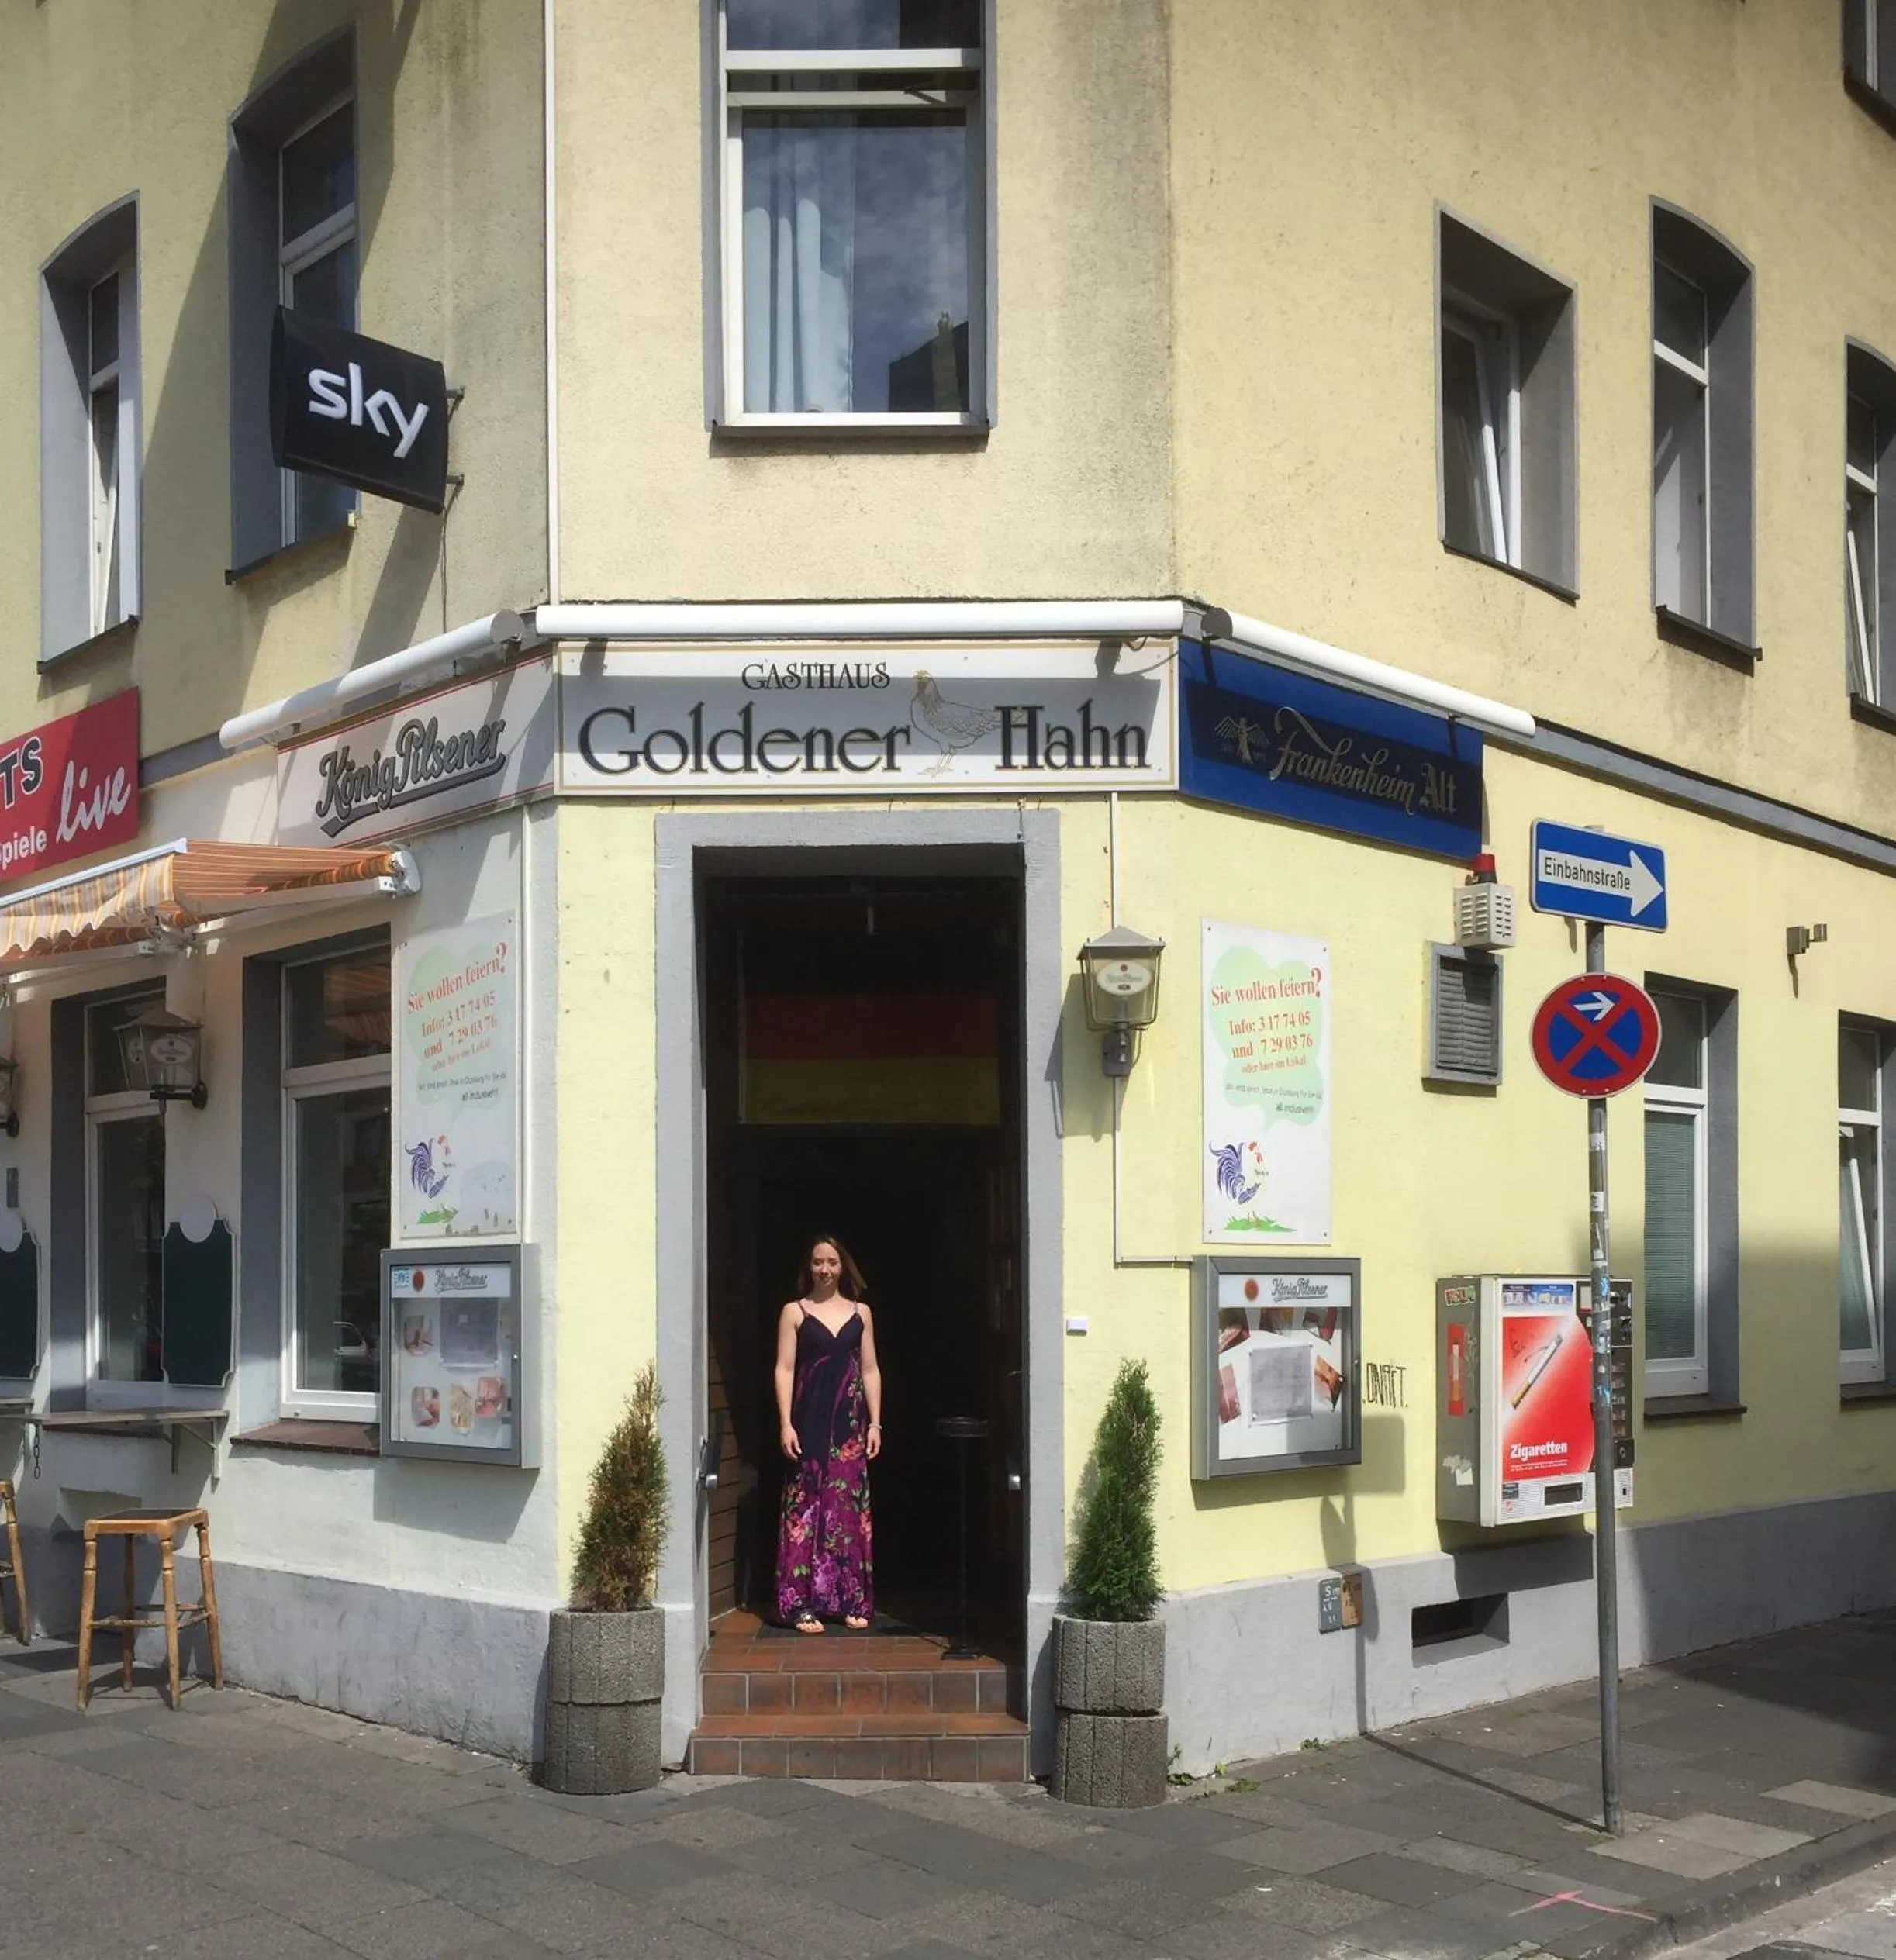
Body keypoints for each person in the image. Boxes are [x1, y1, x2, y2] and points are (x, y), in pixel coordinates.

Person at [774, 1234, 882, 1634]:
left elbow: (870, 1369)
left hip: (850, 1428)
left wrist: (875, 1423)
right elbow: (784, 1368)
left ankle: (849, 1600)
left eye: (832, 1262)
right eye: (818, 1262)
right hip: (809, 1424)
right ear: (810, 1266)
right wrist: (785, 1422)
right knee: (805, 1509)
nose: (825, 1269)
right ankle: (799, 1604)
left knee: (847, 1509)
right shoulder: (795, 1312)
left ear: (843, 1266)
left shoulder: (861, 1313)